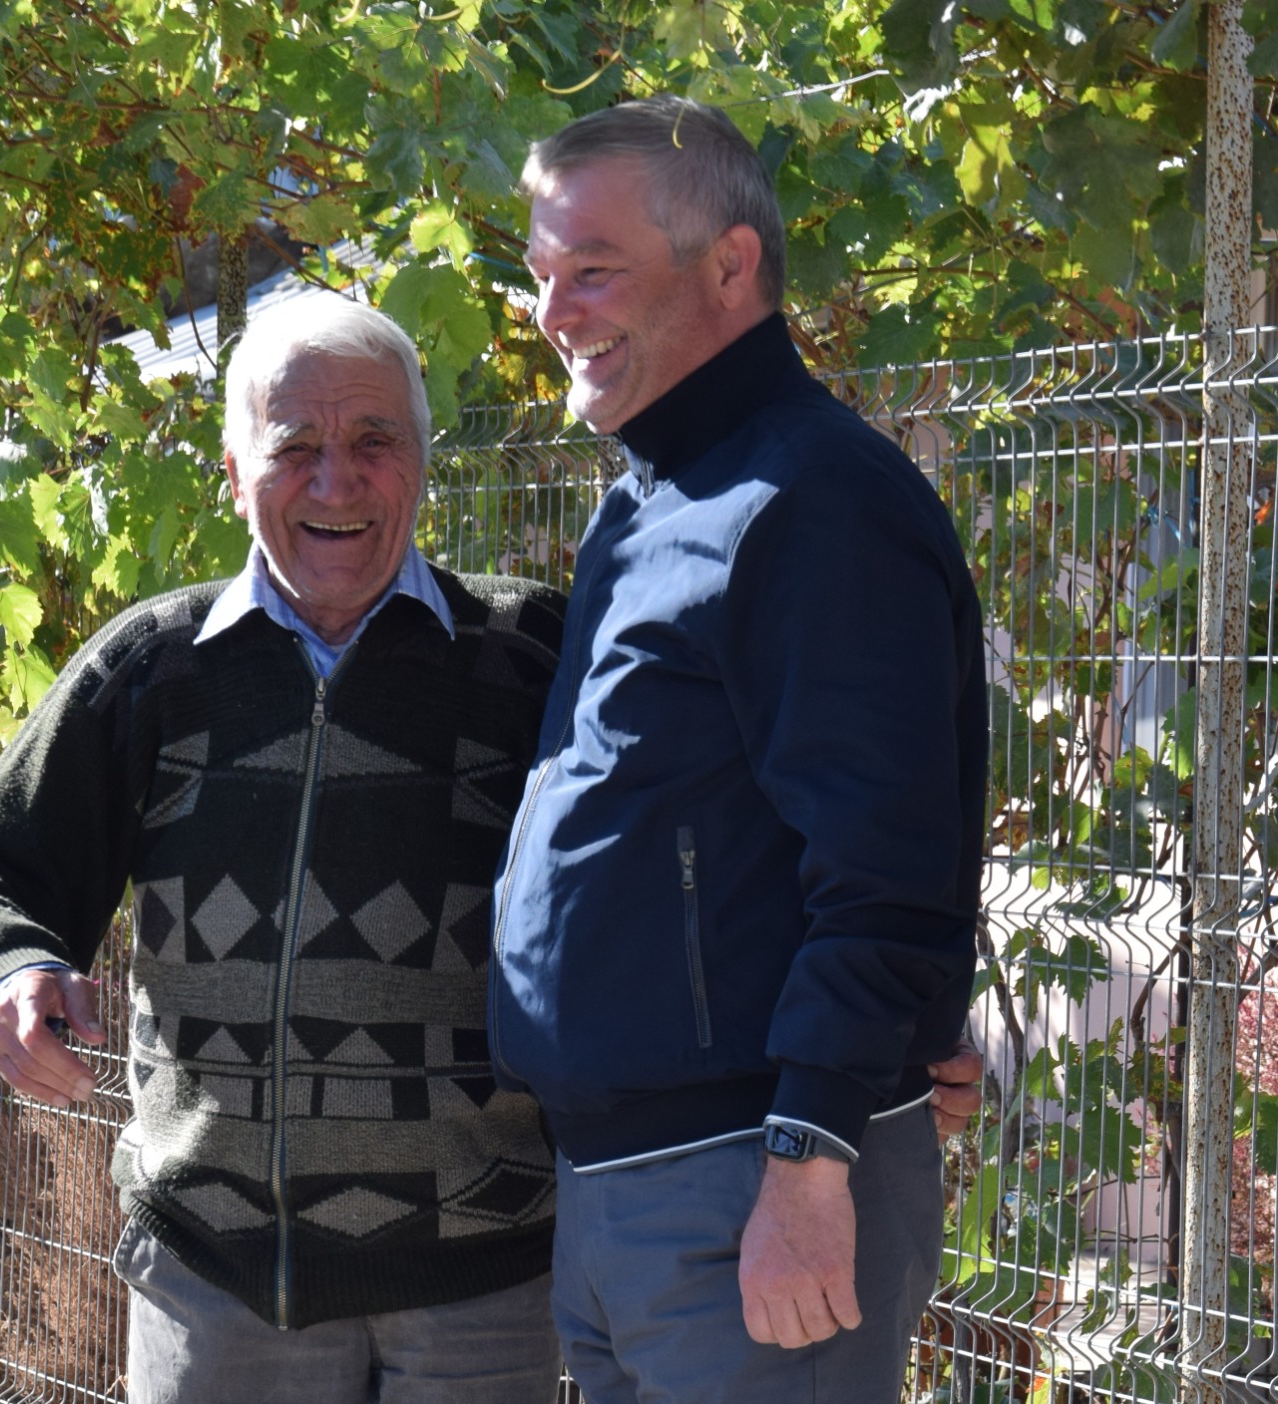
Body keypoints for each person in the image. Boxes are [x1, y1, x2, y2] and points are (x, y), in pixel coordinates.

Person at [0, 294, 984, 1401]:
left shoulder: (531, 657)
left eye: (376, 441)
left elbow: (730, 860)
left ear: (422, 466)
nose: (338, 481)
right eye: (296, 447)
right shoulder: (154, 670)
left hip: (484, 1290)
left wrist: (890, 1047)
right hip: (215, 1284)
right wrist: (5, 971)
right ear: (234, 471)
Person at [488, 95, 989, 1404]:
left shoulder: (812, 500)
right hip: (628, 1191)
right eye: (542, 275)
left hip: (752, 1186)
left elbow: (886, 861)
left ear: (729, 265)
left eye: (594, 271)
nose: (552, 313)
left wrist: (813, 1146)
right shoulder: (650, 503)